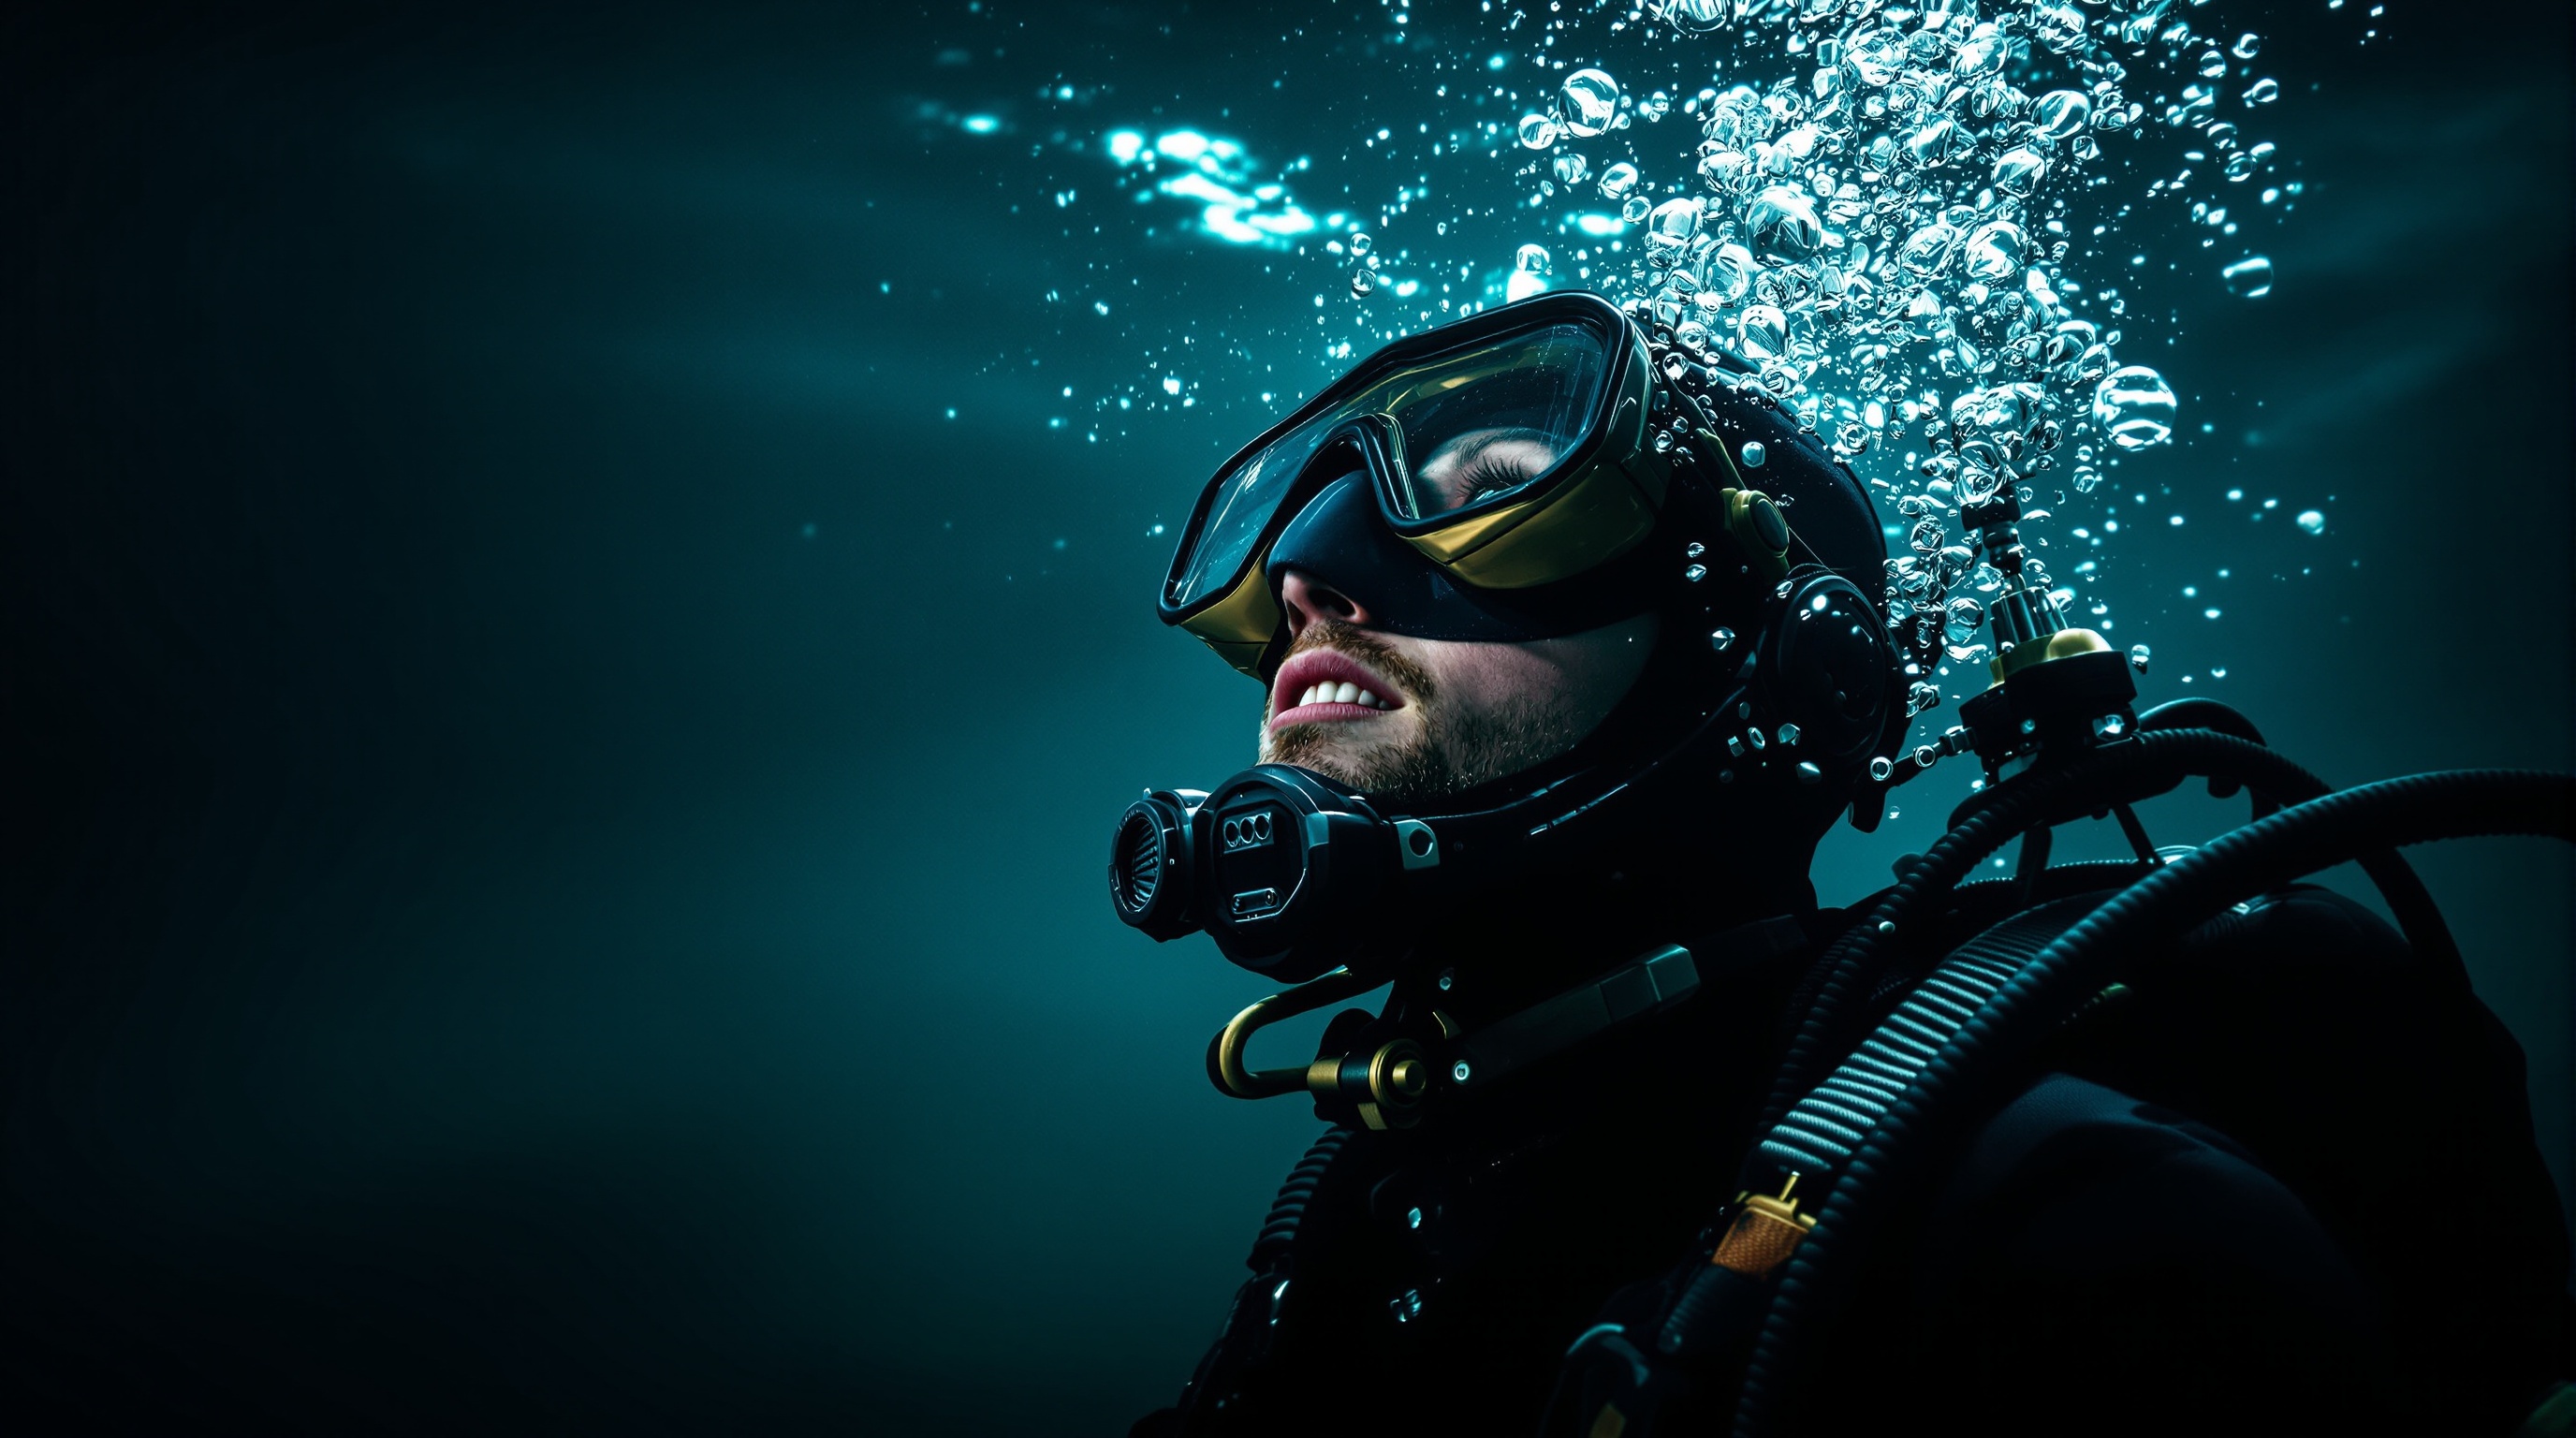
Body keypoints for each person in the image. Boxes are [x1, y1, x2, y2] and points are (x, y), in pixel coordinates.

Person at [1109, 292, 2573, 1437]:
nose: (1305, 582)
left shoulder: (2055, 1226)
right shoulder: (1378, 1197)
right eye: (1276, 557)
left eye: (1493, 484)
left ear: (1763, 665)